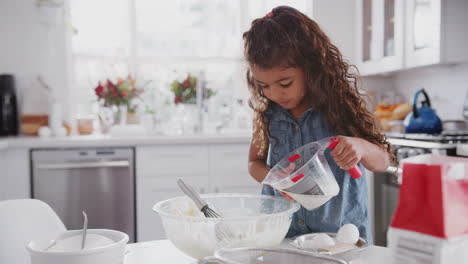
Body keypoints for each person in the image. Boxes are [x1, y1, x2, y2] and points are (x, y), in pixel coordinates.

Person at [243, 6, 392, 243]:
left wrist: (360, 147)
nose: (274, 94)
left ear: (311, 66)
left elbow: (383, 161)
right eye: (264, 86)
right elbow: (254, 163)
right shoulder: (266, 113)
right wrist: (275, 178)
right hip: (283, 233)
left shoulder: (339, 105)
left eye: (285, 83)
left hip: (341, 237)